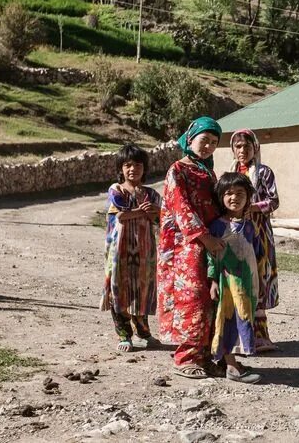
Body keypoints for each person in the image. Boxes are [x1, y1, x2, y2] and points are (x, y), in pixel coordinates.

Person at [157, 117, 226, 379]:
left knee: (211, 298)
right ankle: (185, 357)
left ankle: (206, 356)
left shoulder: (207, 171)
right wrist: (204, 238)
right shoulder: (178, 169)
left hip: (210, 241)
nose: (208, 145)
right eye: (204, 140)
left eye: (213, 142)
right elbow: (181, 207)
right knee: (192, 298)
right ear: (190, 138)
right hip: (184, 246)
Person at [100, 144, 161, 353]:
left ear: (144, 168)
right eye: (127, 165)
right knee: (119, 289)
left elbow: (159, 217)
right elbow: (121, 214)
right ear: (121, 168)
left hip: (145, 251)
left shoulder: (152, 194)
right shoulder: (116, 189)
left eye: (137, 165)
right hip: (119, 250)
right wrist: (143, 212)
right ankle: (124, 334)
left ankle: (143, 332)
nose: (132, 169)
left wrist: (154, 212)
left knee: (142, 290)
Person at [208, 172, 262, 384]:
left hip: (247, 283)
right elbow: (211, 256)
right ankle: (231, 366)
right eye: (229, 193)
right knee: (227, 319)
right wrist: (212, 281)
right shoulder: (218, 226)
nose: (234, 198)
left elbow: (255, 254)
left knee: (243, 319)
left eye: (240, 193)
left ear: (248, 197)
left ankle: (234, 361)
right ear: (221, 197)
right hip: (227, 282)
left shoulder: (249, 226)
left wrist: (260, 282)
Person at [229, 129, 280, 352]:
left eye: (246, 147)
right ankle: (241, 337)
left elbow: (274, 201)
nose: (242, 151)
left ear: (255, 148)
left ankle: (260, 336)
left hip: (259, 233)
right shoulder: (229, 173)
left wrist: (251, 207)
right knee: (239, 280)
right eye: (238, 147)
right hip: (237, 233)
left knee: (259, 278)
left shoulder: (264, 173)